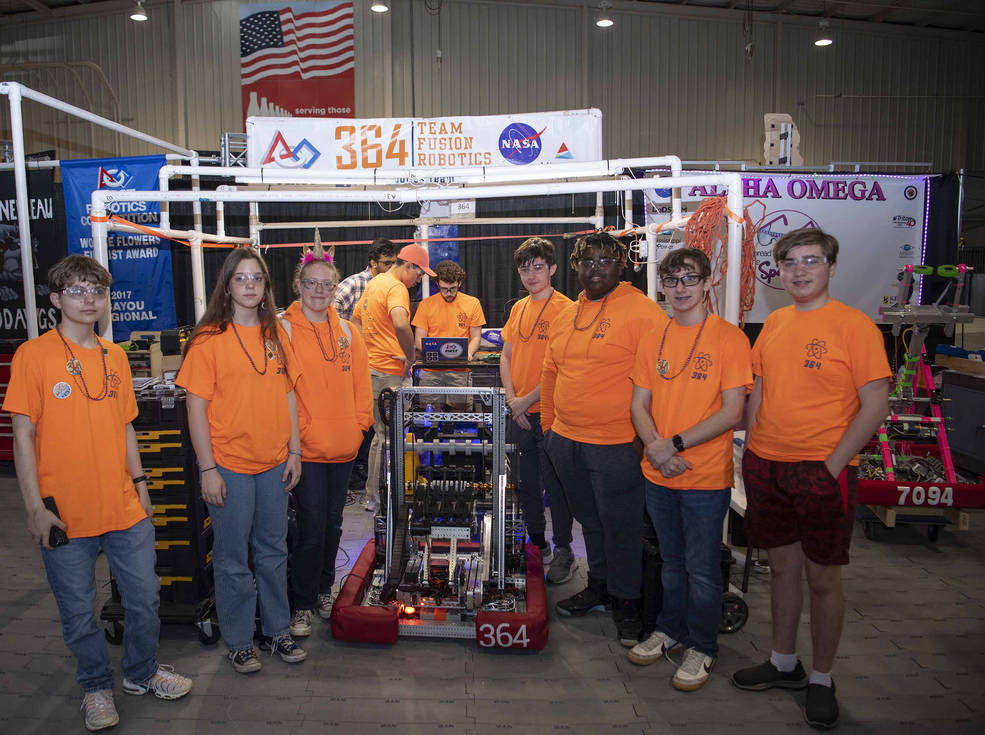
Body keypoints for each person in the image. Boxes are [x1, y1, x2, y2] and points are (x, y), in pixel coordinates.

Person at [4, 255, 192, 732]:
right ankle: (95, 686)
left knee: (146, 597)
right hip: (63, 512)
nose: (89, 299)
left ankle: (141, 672)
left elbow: (126, 426)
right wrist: (34, 509)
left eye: (97, 291)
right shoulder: (34, 355)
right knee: (78, 611)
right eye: (77, 290)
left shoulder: (114, 357)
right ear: (56, 300)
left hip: (123, 506)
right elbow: (23, 435)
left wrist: (141, 485)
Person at [732, 228, 890, 728]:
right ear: (779, 271)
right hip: (768, 466)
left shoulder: (855, 326)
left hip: (822, 470)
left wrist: (832, 466)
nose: (800, 270)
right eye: (790, 262)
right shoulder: (774, 323)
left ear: (831, 267)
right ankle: (784, 661)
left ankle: (821, 677)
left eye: (811, 261)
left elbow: (875, 406)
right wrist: (751, 453)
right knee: (781, 570)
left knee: (823, 577)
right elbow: (758, 393)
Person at [177, 247, 307, 675]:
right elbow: (195, 409)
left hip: (274, 463)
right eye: (241, 278)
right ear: (227, 286)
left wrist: (294, 450)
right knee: (232, 557)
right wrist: (207, 468)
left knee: (273, 550)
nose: (250, 285)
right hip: (228, 465)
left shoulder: (277, 335)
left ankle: (277, 631)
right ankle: (237, 641)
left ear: (266, 287)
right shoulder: (208, 340)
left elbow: (289, 393)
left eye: (257, 278)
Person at [628, 247, 752, 691]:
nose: (680, 288)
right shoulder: (653, 338)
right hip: (658, 472)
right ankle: (670, 629)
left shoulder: (729, 338)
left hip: (703, 477)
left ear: (706, 284)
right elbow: (638, 404)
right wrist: (656, 450)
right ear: (663, 285)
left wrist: (672, 444)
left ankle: (702, 645)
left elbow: (732, 410)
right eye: (673, 279)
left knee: (701, 568)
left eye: (689, 279)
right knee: (670, 561)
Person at [542, 231, 668, 647]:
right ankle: (599, 586)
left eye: (605, 260)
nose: (595, 268)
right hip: (565, 441)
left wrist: (645, 439)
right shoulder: (564, 314)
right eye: (587, 261)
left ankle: (628, 602)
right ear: (574, 266)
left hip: (617, 444)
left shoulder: (644, 313)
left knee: (621, 528)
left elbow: (664, 382)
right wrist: (549, 429)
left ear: (622, 265)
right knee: (590, 522)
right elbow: (550, 374)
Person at [281, 238, 372, 635]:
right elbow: (277, 391)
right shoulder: (281, 330)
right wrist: (294, 441)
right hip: (304, 451)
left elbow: (362, 388)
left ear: (336, 290)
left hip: (343, 448)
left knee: (333, 524)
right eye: (311, 283)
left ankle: (320, 590)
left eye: (326, 285)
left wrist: (359, 429)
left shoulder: (350, 333)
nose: (319, 291)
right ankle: (300, 602)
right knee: (310, 524)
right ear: (298, 287)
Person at [500, 237, 577, 583]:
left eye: (538, 267)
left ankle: (563, 549)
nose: (530, 275)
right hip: (518, 411)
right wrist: (511, 398)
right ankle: (537, 544)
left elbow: (562, 369)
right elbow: (506, 355)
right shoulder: (518, 308)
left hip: (551, 413)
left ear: (553, 269)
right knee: (524, 483)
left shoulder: (567, 310)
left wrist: (524, 401)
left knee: (557, 486)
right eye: (524, 268)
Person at [351, 243, 434, 511]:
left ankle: (374, 495)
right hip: (390, 373)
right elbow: (400, 323)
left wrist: (366, 353)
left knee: (380, 436)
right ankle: (376, 497)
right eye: (419, 274)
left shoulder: (375, 283)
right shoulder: (396, 288)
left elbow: (355, 322)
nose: (419, 280)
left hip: (373, 369)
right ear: (408, 265)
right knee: (386, 437)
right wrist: (410, 357)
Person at [411, 259, 486, 409]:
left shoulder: (472, 303)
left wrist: (469, 353)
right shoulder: (426, 305)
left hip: (460, 370)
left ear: (459, 283)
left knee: (460, 417)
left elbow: (476, 336)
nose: (449, 293)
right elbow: (419, 340)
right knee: (429, 418)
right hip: (431, 371)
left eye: (452, 288)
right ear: (437, 283)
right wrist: (434, 353)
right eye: (444, 288)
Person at [333, 237, 397, 322]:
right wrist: (343, 331)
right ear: (373, 263)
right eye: (387, 263)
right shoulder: (355, 282)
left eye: (394, 263)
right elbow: (332, 305)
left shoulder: (393, 285)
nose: (391, 267)